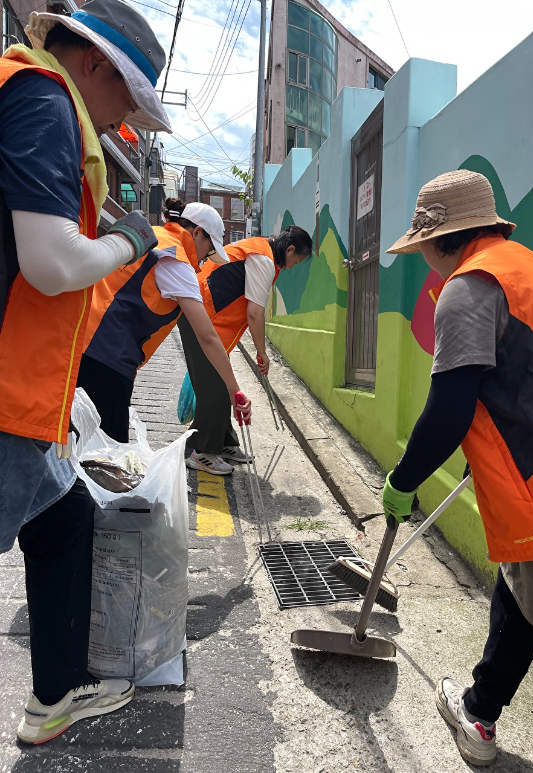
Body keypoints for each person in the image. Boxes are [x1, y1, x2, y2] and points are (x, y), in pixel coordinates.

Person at [0, 0, 172, 744]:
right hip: (4, 394)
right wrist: (131, 238)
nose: (121, 122)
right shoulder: (43, 100)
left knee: (64, 514)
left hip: (29, 385)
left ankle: (55, 697)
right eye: (126, 100)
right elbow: (52, 262)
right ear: (96, 65)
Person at [383, 169, 533, 769]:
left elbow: (448, 410)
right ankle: (479, 709)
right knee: (520, 592)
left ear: (445, 240)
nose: (425, 264)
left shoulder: (469, 289)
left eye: (423, 251)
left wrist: (402, 480)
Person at [77, 198, 251, 442]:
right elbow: (207, 336)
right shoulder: (176, 261)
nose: (206, 259)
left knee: (73, 443)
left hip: (77, 340)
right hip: (108, 360)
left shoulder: (151, 235)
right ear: (198, 232)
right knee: (104, 456)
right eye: (210, 250)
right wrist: (234, 390)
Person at [179, 224, 313, 475]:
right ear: (290, 249)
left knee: (217, 382)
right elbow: (255, 312)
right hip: (199, 315)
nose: (295, 265)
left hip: (208, 317)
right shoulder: (263, 258)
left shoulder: (262, 252)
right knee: (217, 386)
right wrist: (262, 353)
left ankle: (224, 442)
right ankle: (203, 453)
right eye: (298, 259)